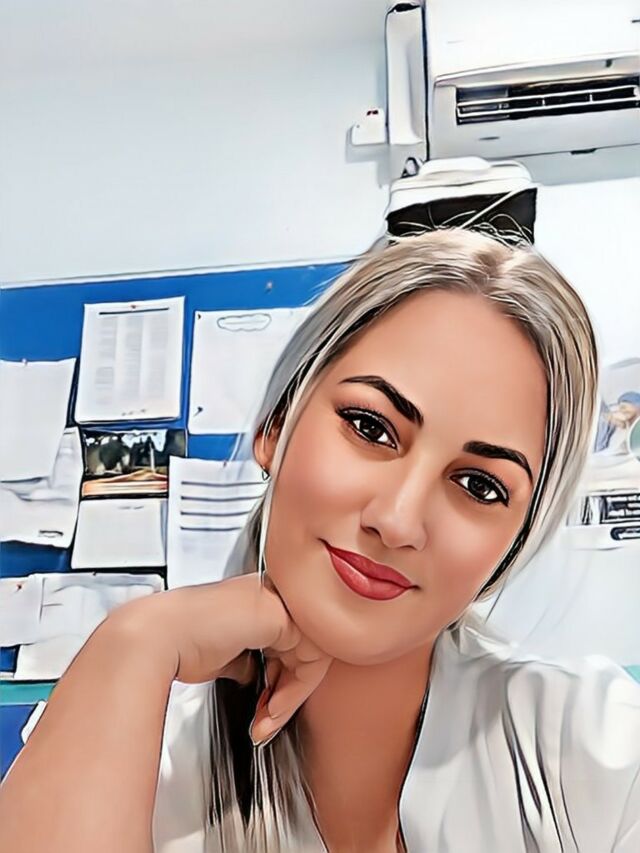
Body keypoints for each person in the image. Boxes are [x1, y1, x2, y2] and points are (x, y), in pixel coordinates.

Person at [1, 228, 639, 853]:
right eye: (370, 427)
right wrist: (137, 638)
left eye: (479, 485)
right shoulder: (127, 745)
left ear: (513, 543)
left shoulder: (594, 746)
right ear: (276, 427)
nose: (398, 520)